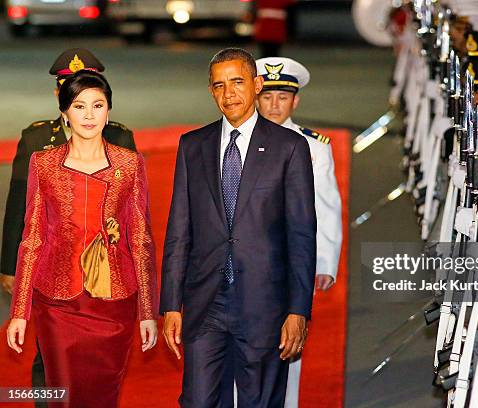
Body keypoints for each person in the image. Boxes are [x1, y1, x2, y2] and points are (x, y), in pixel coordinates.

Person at [159, 48, 316, 407]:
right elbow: (179, 229)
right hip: (205, 303)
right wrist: (170, 303)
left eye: (237, 82)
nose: (229, 94)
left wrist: (298, 310)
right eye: (219, 85)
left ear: (257, 85)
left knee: (259, 402)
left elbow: (301, 234)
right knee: (197, 401)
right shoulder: (192, 146)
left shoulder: (289, 148)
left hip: (265, 304)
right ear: (211, 92)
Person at [5, 70, 158, 408]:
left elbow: (141, 240)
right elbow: (31, 238)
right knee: (62, 395)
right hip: (58, 305)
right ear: (64, 114)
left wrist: (148, 310)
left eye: (98, 105)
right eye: (79, 106)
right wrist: (20, 311)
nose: (89, 115)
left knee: (104, 396)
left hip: (114, 304)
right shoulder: (43, 164)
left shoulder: (129, 164)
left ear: (108, 111)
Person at [255, 56, 343, 407]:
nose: (275, 105)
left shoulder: (313, 146)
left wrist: (324, 262)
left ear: (296, 101)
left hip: (290, 263)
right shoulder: (234, 141)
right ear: (255, 96)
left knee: (288, 343)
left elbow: (326, 205)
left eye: (283, 98)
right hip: (241, 261)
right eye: (267, 96)